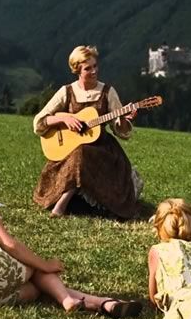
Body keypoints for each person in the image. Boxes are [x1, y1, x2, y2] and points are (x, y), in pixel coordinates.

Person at [0, 152, 142, 317]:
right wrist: (45, 264)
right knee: (34, 268)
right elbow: (10, 245)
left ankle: (100, 303)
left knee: (32, 290)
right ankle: (80, 300)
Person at [32, 45, 142, 218]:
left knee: (82, 153)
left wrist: (124, 119)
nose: (94, 71)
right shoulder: (66, 91)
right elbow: (39, 122)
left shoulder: (108, 92)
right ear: (77, 70)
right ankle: (66, 199)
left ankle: (62, 204)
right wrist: (64, 118)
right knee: (79, 152)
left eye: (95, 66)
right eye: (88, 68)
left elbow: (121, 131)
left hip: (102, 151)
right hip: (69, 150)